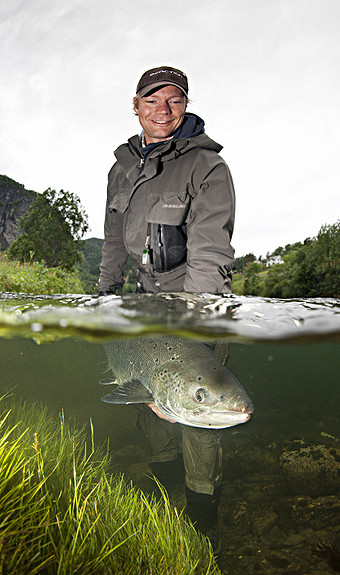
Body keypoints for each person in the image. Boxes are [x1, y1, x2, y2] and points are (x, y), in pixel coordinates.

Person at [98, 66, 236, 553]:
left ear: (186, 106)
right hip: (141, 305)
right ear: (135, 106)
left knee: (199, 421)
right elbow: (114, 240)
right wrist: (107, 297)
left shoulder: (208, 167)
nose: (163, 109)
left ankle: (202, 523)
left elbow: (210, 249)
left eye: (174, 100)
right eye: (152, 100)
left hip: (194, 305)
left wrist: (192, 324)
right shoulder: (121, 168)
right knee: (150, 410)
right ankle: (161, 500)